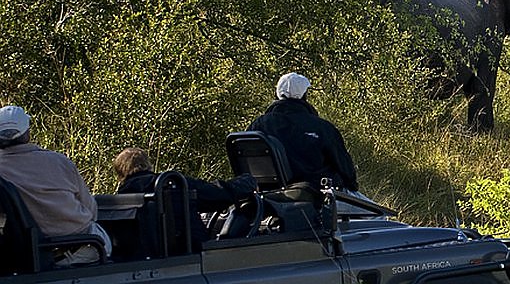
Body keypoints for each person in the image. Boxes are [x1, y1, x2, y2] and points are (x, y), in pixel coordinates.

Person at [0, 105, 111, 266]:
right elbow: (91, 209)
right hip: (83, 246)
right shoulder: (59, 162)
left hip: (28, 252)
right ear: (27, 133)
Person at [113, 148, 256, 250]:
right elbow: (217, 194)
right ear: (147, 165)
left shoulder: (120, 199)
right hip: (191, 252)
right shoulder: (171, 184)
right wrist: (248, 181)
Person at [248, 73, 359, 193]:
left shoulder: (257, 126)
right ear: (304, 96)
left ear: (277, 94)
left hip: (266, 197)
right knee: (379, 211)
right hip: (316, 198)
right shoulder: (322, 128)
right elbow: (346, 170)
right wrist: (351, 186)